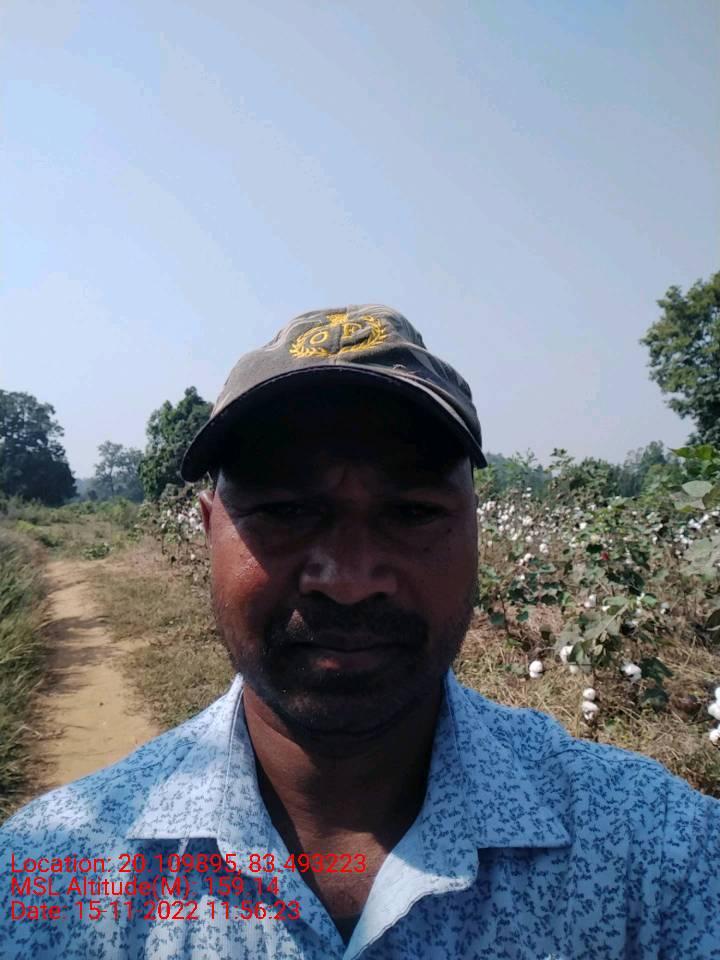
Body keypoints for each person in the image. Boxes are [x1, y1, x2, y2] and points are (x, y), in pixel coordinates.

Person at [1, 304, 718, 960]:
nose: (347, 580)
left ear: (474, 532)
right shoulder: (49, 879)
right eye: (285, 510)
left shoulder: (656, 857)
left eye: (410, 512)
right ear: (209, 531)